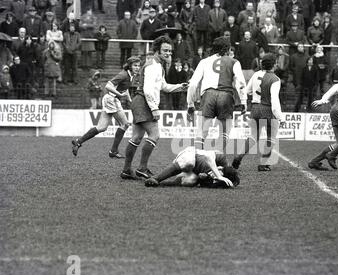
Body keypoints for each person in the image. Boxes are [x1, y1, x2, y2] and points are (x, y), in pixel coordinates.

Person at [120, 36, 187, 180]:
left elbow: (163, 86)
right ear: (157, 50)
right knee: (155, 135)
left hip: (140, 101)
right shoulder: (152, 65)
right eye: (165, 50)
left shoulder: (158, 66)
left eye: (170, 51)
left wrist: (180, 86)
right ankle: (142, 168)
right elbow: (148, 90)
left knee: (137, 137)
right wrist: (154, 108)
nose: (168, 53)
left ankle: (126, 170)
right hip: (143, 101)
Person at [72, 56, 142, 159]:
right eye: (135, 65)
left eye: (138, 65)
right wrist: (119, 94)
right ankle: (113, 151)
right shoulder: (123, 74)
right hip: (111, 99)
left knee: (102, 127)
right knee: (125, 124)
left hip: (111, 99)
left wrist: (129, 100)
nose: (137, 67)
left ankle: (78, 142)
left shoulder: (131, 75)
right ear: (130, 66)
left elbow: (125, 88)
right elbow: (108, 86)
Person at [186, 37, 247, 153]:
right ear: (228, 49)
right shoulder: (234, 62)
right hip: (226, 96)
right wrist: (243, 101)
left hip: (208, 95)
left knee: (202, 132)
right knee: (224, 133)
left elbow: (193, 84)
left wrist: (190, 103)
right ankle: (217, 161)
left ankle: (199, 161)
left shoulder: (204, 61)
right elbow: (241, 83)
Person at [231, 53, 284, 172]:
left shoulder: (255, 75)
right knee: (271, 136)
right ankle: (263, 164)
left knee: (253, 136)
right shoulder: (275, 79)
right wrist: (281, 117)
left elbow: (247, 90)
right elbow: (274, 100)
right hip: (268, 109)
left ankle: (238, 157)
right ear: (274, 64)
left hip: (255, 108)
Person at [143, 146, 239, 188]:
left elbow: (203, 183)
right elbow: (208, 157)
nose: (215, 178)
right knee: (189, 162)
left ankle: (157, 184)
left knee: (191, 181)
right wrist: (218, 175)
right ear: (221, 168)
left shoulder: (218, 181)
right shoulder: (222, 159)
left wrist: (203, 178)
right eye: (218, 176)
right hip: (190, 154)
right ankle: (156, 178)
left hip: (191, 170)